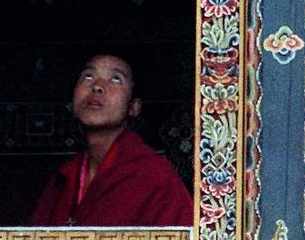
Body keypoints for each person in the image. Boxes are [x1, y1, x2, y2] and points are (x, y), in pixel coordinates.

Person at [30, 54, 193, 227]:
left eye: (115, 79)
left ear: (133, 107)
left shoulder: (154, 175)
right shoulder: (63, 178)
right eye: (88, 76)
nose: (97, 86)